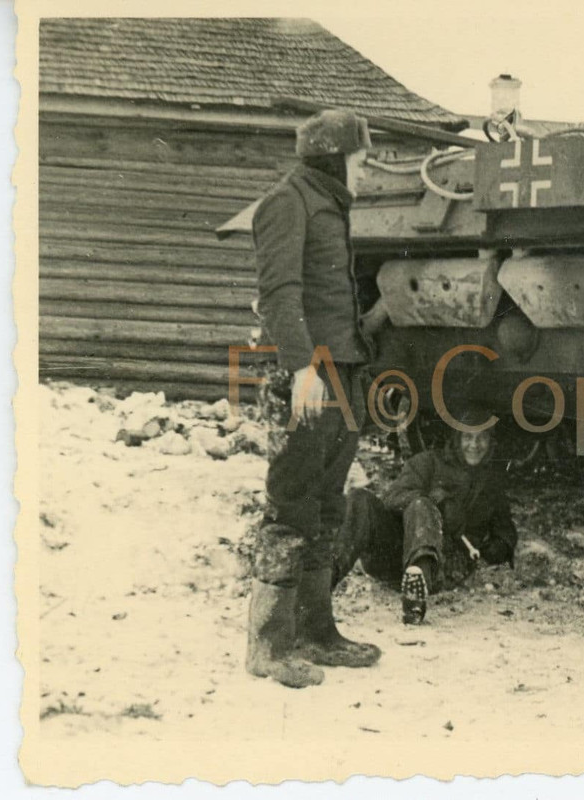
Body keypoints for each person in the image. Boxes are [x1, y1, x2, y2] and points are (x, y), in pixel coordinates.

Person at [245, 108, 382, 689]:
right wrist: (300, 368)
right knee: (293, 499)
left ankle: (317, 632)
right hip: (308, 375)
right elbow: (280, 291)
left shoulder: (328, 202)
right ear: (335, 158)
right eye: (361, 159)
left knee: (328, 503)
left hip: (341, 371)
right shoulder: (288, 201)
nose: (367, 170)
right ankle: (269, 647)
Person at [332, 414, 519, 625]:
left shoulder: (490, 483)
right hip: (397, 556)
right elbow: (391, 499)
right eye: (468, 437)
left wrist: (492, 551)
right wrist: (435, 503)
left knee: (422, 505)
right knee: (361, 499)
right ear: (456, 438)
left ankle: (416, 593)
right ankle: (328, 575)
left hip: (444, 567)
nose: (474, 445)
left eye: (481, 438)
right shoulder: (428, 463)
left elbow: (506, 530)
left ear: (490, 441)